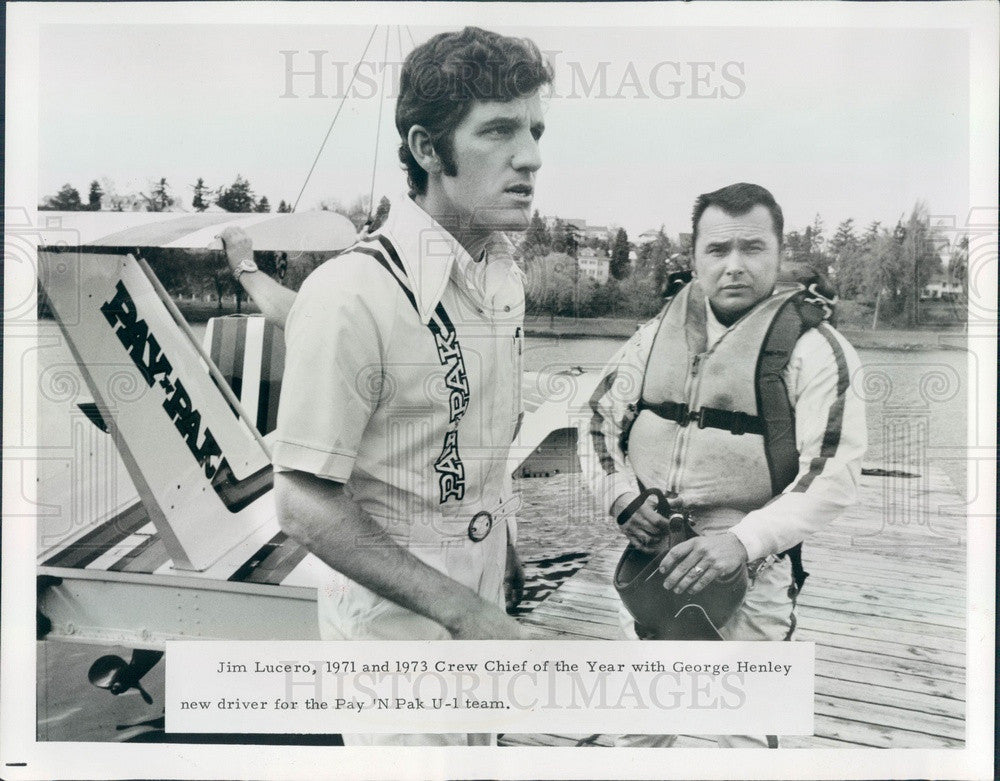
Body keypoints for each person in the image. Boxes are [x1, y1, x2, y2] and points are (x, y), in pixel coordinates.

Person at [222, 27, 552, 747]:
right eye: (498, 130)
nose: (529, 155)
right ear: (428, 149)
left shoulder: (503, 279)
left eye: (533, 129)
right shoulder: (351, 294)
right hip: (392, 655)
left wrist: (506, 556)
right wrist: (461, 610)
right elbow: (304, 502)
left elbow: (472, 453)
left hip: (477, 617)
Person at [581, 182, 866, 748]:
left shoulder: (817, 350)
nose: (734, 266)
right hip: (653, 565)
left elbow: (833, 475)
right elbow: (596, 423)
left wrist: (741, 540)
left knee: (747, 739)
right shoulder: (650, 337)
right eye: (717, 250)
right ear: (694, 258)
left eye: (752, 248)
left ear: (780, 254)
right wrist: (620, 498)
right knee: (639, 728)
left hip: (752, 576)